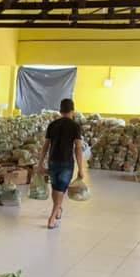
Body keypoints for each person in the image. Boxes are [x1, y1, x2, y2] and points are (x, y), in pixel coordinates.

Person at [38, 98, 86, 230]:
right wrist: (81, 168)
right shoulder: (75, 126)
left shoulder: (52, 125)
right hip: (66, 163)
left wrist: (40, 163)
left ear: (60, 110)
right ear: (72, 111)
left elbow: (45, 146)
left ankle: (58, 209)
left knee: (56, 189)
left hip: (53, 161)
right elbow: (78, 148)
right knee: (60, 190)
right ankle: (52, 217)